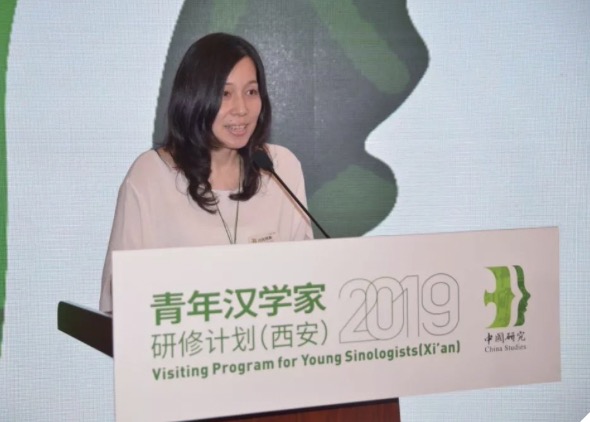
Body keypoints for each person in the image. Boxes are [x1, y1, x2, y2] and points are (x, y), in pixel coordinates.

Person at [99, 33, 313, 313]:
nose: (242, 109)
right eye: (225, 94)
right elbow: (119, 296)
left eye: (251, 92)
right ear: (195, 99)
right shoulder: (150, 175)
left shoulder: (281, 168)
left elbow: (306, 280)